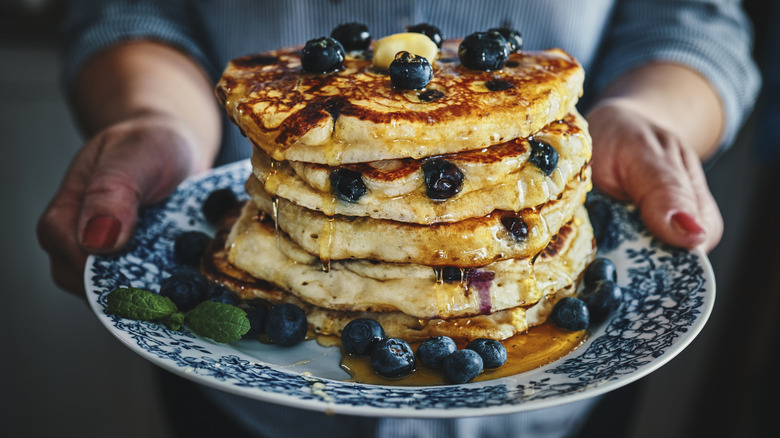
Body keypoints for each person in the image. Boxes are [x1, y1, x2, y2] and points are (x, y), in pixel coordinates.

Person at [37, 1, 760, 437]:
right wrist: (155, 116)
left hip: (550, 417)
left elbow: (691, 20)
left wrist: (645, 116)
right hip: (245, 407)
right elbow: (127, 9)